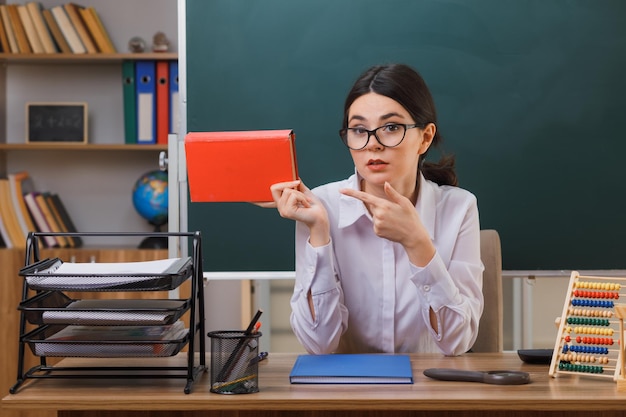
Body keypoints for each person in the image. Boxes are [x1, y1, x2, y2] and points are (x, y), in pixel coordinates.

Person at [268, 63, 483, 355]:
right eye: (359, 130)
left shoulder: (459, 208)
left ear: (425, 137)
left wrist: (417, 243)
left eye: (391, 127)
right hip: (348, 392)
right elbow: (319, 345)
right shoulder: (320, 206)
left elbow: (456, 343)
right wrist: (319, 232)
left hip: (429, 393)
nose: (373, 144)